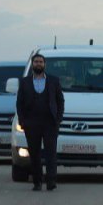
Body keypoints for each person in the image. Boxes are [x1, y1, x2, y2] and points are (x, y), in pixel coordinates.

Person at [15, 53, 65, 191]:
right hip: (31, 123)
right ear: (32, 64)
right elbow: (19, 103)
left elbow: (60, 101)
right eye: (36, 61)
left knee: (51, 153)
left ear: (44, 64)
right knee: (34, 154)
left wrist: (58, 119)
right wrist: (22, 121)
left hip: (50, 123)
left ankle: (51, 182)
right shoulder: (24, 82)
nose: (38, 64)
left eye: (41, 62)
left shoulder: (53, 81)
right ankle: (37, 182)